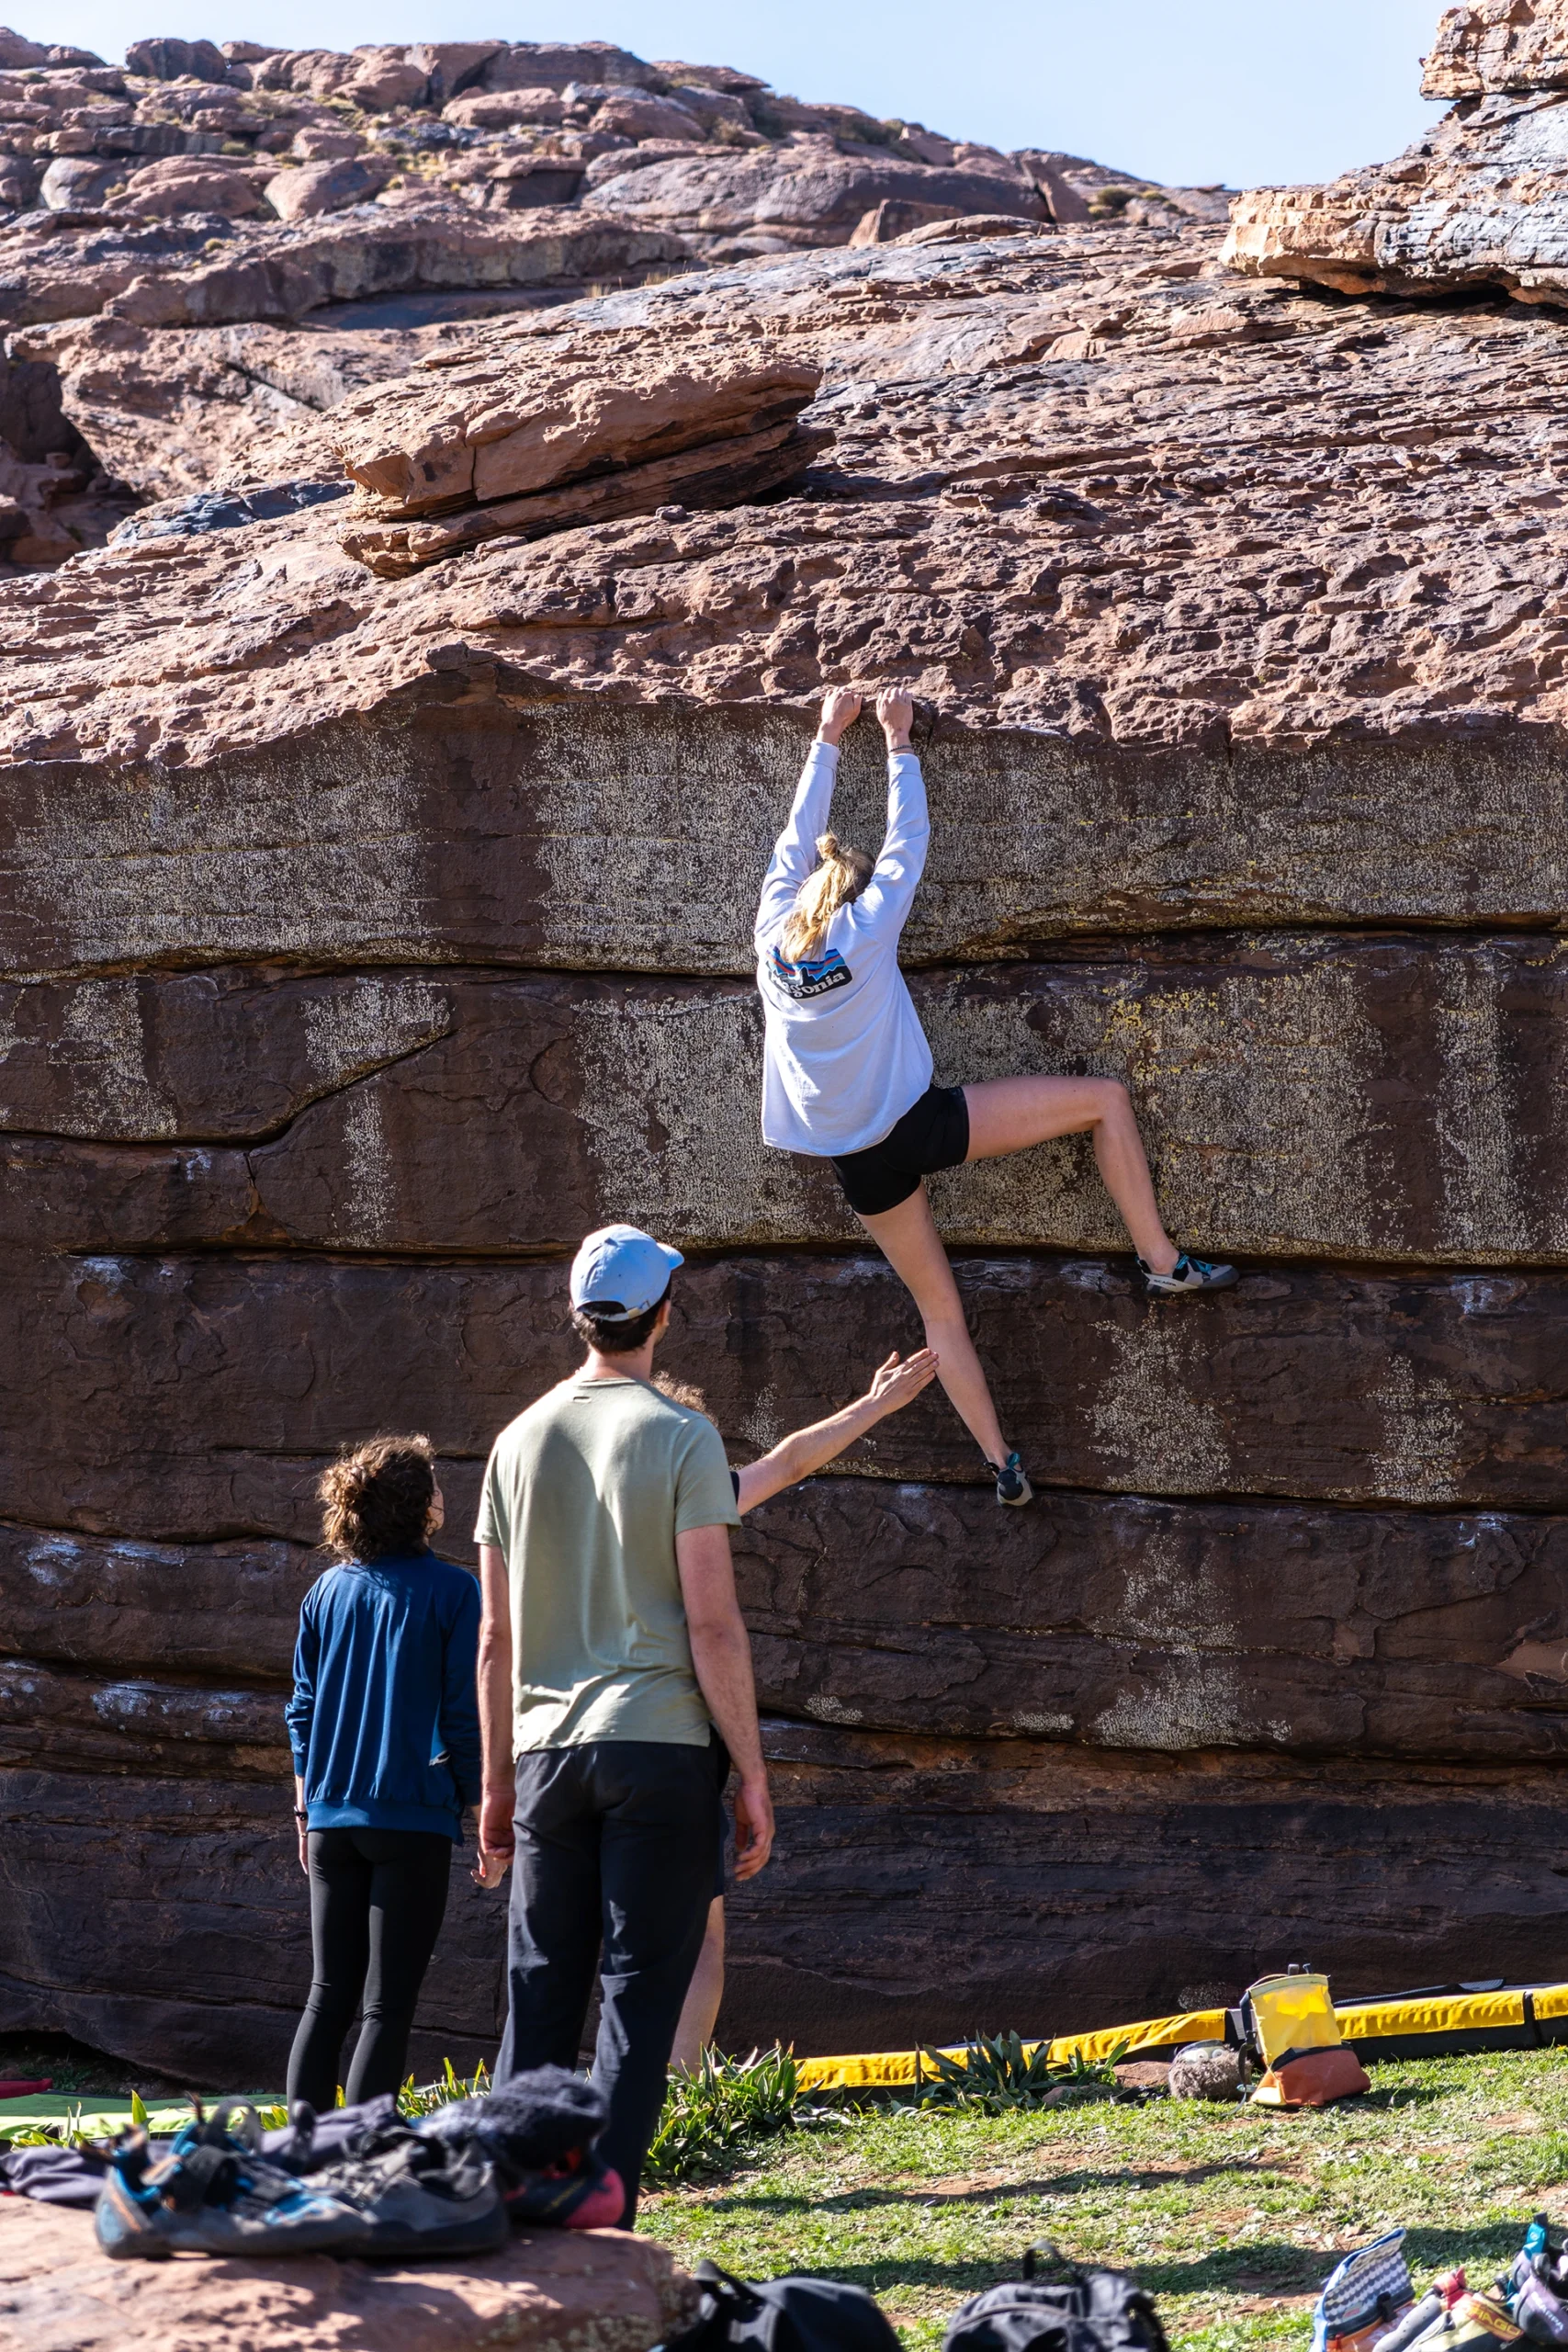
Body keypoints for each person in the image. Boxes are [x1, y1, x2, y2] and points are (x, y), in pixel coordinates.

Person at [754, 684, 1238, 1511]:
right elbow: (907, 840)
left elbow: (795, 838)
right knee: (1105, 1100)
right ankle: (1162, 1264)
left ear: (803, 895)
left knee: (940, 1309)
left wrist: (826, 734)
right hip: (920, 1125)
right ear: (854, 895)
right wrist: (897, 742)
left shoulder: (769, 937)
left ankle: (1001, 1463)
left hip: (854, 1159)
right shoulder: (868, 929)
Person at [472, 1222, 774, 2224]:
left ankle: (510, 2203)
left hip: (545, 1750)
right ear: (665, 1314)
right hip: (658, 1745)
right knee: (640, 2001)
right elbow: (713, 1624)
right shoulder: (681, 1435)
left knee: (538, 1997)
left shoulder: (515, 1441)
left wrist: (496, 1784)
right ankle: (602, 2207)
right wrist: (754, 1770)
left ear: (577, 1317)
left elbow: (492, 1638)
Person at [666, 1343, 939, 2075]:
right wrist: (875, 1405)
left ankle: (615, 2096)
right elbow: (784, 1463)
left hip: (570, 1747)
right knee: (700, 1935)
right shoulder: (687, 1494)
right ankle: (675, 2089)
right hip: (670, 1739)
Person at [284, 1435, 481, 2113]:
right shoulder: (457, 1590)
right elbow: (462, 1713)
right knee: (386, 2006)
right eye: (435, 1485)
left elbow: (301, 1712)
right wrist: (485, 1805)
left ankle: (297, 2151)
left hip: (331, 1820)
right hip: (413, 1816)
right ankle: (362, 2155)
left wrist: (306, 1809)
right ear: (422, 1505)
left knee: (327, 1995)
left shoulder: (326, 1592)